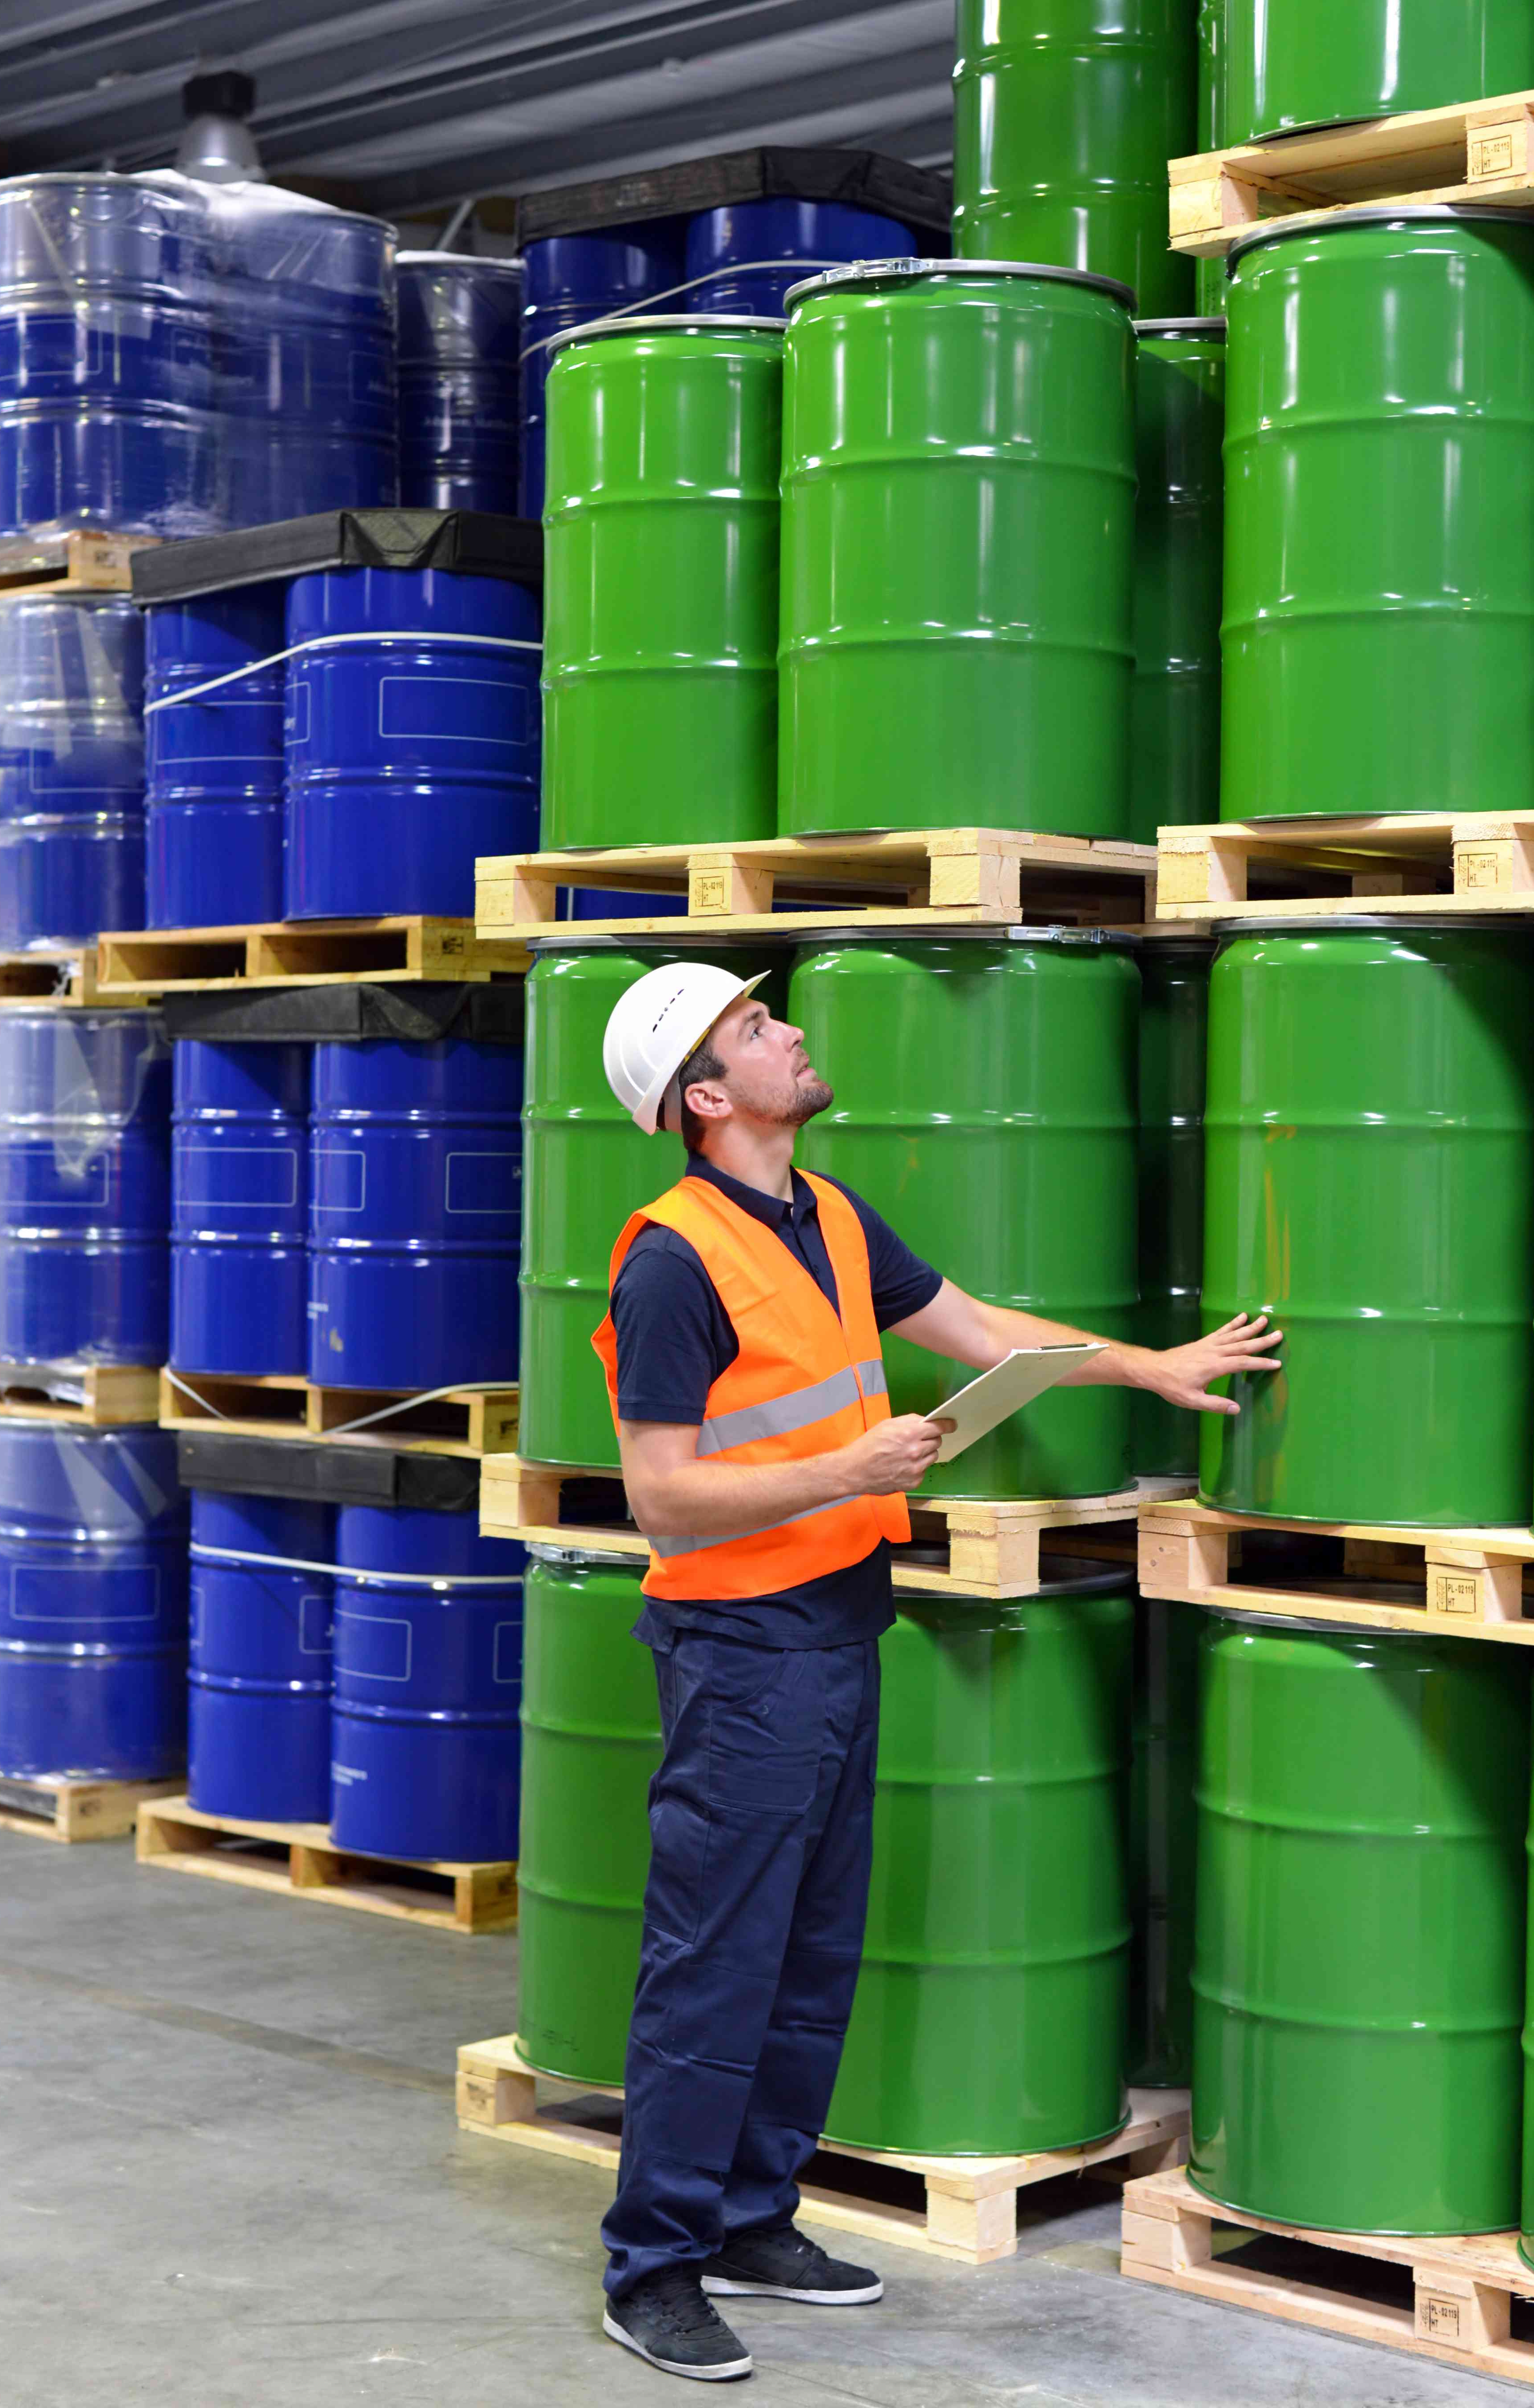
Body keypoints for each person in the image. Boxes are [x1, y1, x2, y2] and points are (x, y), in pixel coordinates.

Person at [591, 961, 1279, 2382]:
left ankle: (750, 2217)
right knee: (714, 1965)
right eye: (753, 1027)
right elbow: (659, 1497)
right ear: (707, 1099)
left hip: (841, 1625)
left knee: (808, 1954)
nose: (787, 1028)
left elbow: (981, 1337)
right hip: (741, 1653)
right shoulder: (670, 1256)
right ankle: (654, 2264)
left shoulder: (830, 1216)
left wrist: (1148, 1366)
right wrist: (853, 1463)